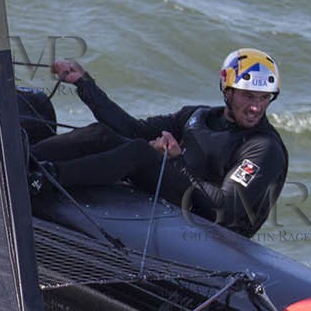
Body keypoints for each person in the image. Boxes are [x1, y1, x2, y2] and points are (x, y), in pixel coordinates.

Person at [30, 48, 289, 237]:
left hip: (209, 223)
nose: (256, 107)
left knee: (140, 152)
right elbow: (134, 129)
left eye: (264, 98)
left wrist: (176, 162)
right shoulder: (197, 116)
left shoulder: (263, 147)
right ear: (227, 90)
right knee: (102, 134)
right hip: (181, 192)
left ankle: (44, 178)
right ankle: (23, 158)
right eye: (248, 96)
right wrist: (84, 84)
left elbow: (226, 208)